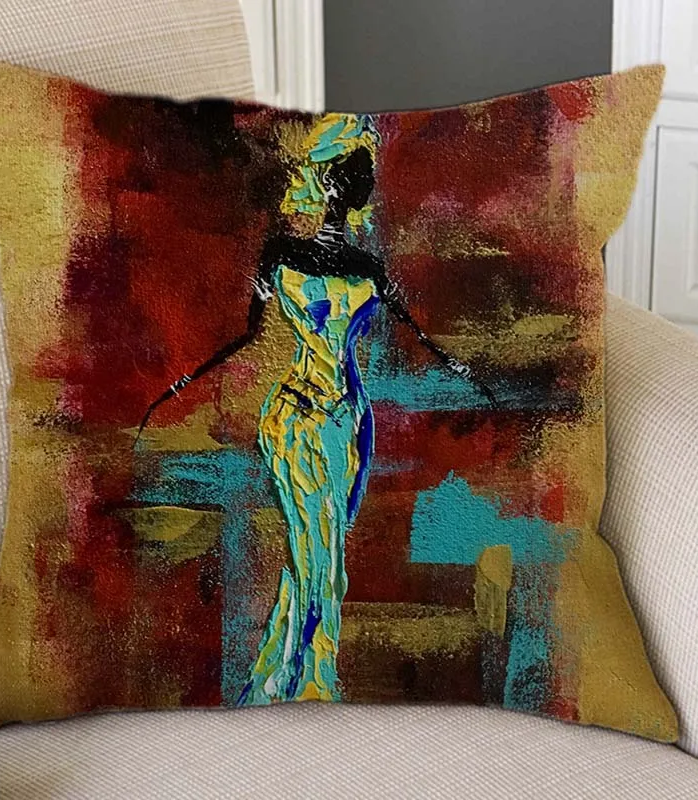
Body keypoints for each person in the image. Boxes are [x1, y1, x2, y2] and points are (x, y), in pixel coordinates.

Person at [136, 114, 495, 704]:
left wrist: (468, 375)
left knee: (326, 555)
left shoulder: (352, 267)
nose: (326, 188)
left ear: (331, 186)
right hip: (298, 419)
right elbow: (250, 336)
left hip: (348, 421)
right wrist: (181, 383)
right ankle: (307, 683)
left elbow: (418, 338)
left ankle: (292, 674)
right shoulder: (300, 258)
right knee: (315, 555)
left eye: (327, 177)